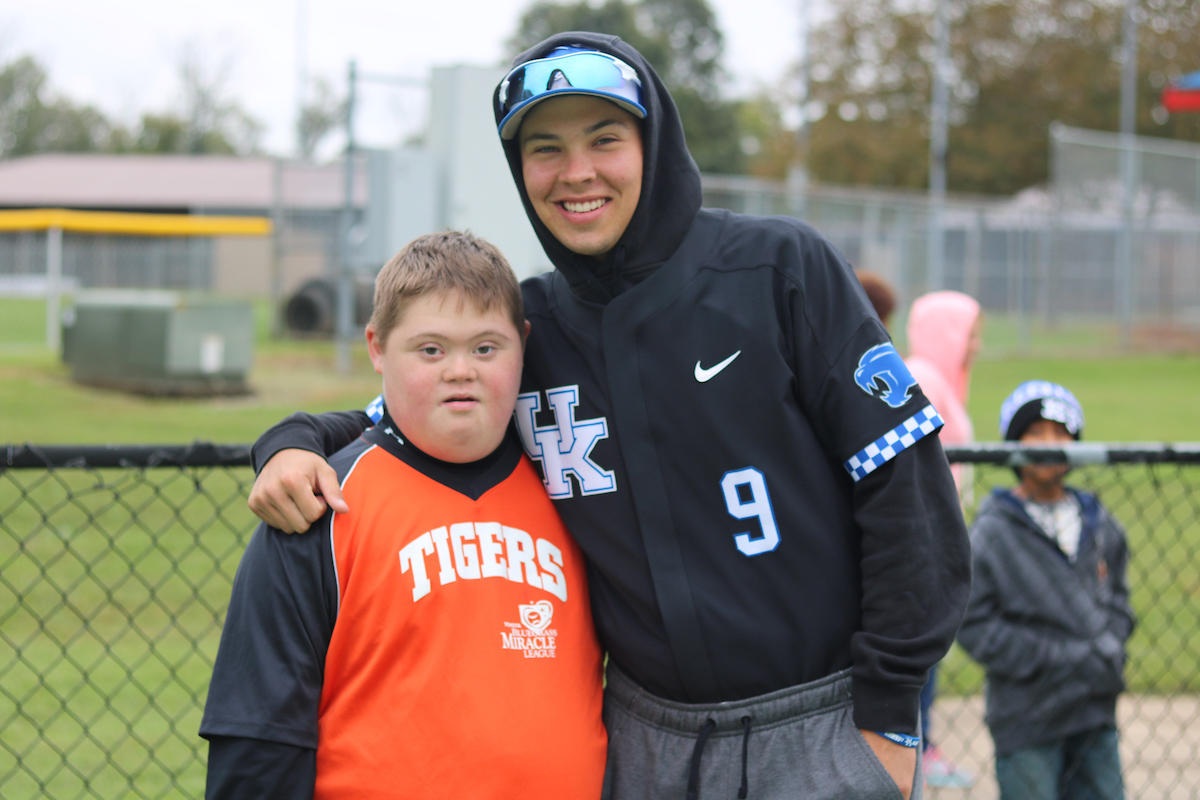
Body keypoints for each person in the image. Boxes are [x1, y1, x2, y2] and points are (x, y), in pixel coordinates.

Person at [247, 33, 971, 800]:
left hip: (820, 724)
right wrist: (289, 442)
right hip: (641, 740)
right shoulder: (530, 330)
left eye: (605, 138)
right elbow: (400, 417)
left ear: (652, 143)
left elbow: (907, 489)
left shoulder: (778, 268)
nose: (577, 172)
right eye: (546, 149)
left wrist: (888, 717)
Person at [200, 231, 607, 799]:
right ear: (376, 347)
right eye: (431, 350)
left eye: (486, 348)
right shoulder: (321, 505)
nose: (460, 370)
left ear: (524, 344)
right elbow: (258, 741)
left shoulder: (576, 487)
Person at [957, 381, 1135, 800]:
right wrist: (1048, 658)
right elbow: (973, 622)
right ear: (1011, 445)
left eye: (1061, 432)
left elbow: (1121, 601)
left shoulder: (1100, 523)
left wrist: (1107, 645)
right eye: (1035, 432)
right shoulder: (992, 533)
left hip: (1094, 706)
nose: (1049, 444)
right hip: (1027, 715)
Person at [904, 290, 984, 789]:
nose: (976, 345)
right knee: (921, 645)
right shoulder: (924, 377)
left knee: (928, 644)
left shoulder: (941, 378)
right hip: (921, 536)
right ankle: (919, 741)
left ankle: (922, 738)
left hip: (935, 531)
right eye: (971, 333)